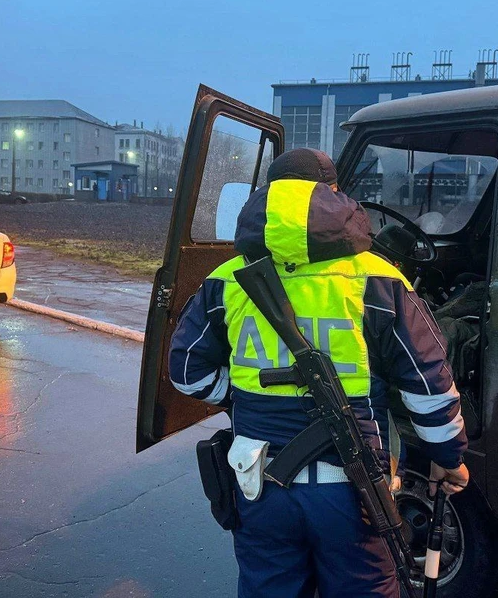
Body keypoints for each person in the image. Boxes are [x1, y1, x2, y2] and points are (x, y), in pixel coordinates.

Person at [169, 148, 469, 598]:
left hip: (258, 483)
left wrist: (240, 396)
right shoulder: (378, 278)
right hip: (353, 494)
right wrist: (449, 458)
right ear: (333, 195)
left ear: (267, 196)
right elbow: (428, 384)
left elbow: (186, 373)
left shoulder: (225, 278)